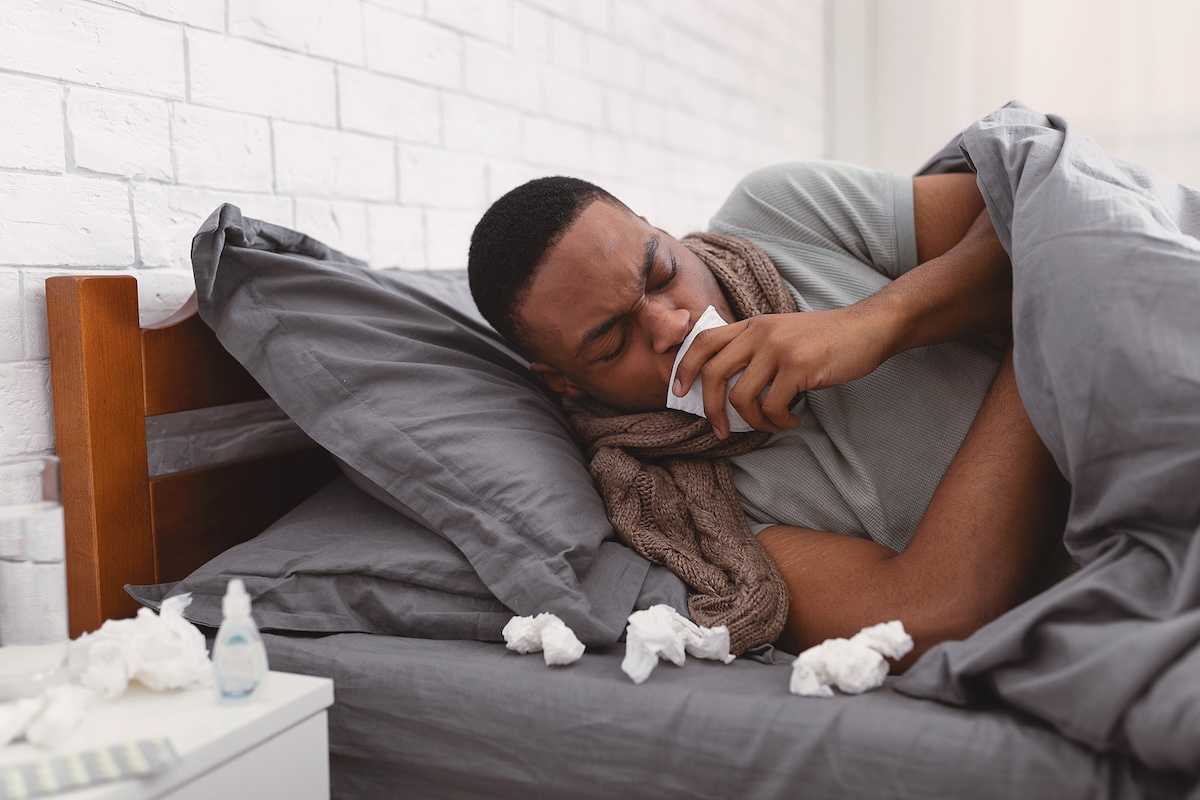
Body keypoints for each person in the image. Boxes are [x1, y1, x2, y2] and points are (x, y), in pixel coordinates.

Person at [466, 162, 1072, 664]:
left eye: (661, 272)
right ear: (565, 384)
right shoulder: (689, 510)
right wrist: (1044, 351)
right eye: (612, 343)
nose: (671, 324)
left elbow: (1043, 210)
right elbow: (931, 616)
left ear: (662, 232)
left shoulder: (777, 212)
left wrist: (875, 323)